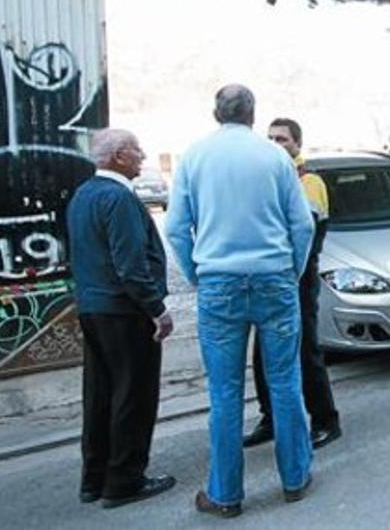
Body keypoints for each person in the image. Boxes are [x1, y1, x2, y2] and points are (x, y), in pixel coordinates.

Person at [166, 85, 315, 517]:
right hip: (274, 281)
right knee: (285, 381)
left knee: (225, 392)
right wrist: (292, 271)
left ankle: (224, 494)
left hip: (219, 284)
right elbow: (301, 225)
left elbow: (176, 229)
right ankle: (295, 477)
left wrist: (200, 275)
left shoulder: (194, 157)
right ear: (253, 114)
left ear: (216, 112)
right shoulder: (275, 158)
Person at [67, 129, 176, 508]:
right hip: (124, 311)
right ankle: (124, 480)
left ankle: (93, 479)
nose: (142, 154)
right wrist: (157, 309)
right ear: (117, 156)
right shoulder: (119, 198)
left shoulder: (83, 195)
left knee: (100, 395)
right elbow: (130, 265)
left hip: (93, 308)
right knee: (134, 394)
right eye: (135, 149)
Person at [243, 117, 341, 450]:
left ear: (297, 144)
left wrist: (288, 272)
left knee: (305, 350)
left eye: (282, 139)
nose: (275, 144)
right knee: (262, 354)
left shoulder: (308, 182)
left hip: (296, 277)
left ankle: (326, 419)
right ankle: (270, 418)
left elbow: (306, 236)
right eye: (270, 138)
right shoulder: (270, 179)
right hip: (269, 276)